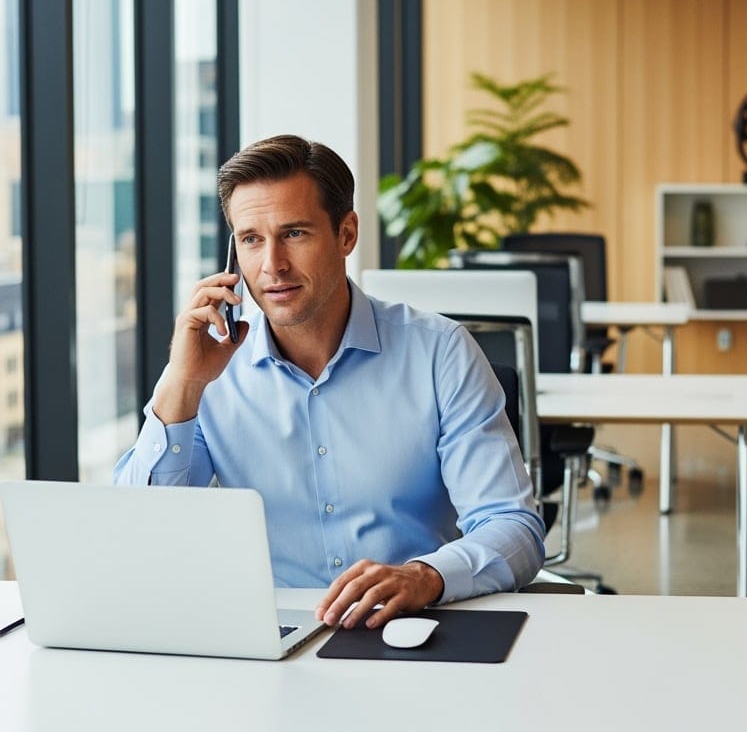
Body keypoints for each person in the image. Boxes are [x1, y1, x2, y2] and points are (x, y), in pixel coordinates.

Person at [114, 134, 545, 631]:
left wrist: (425, 576)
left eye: (294, 234)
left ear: (346, 234)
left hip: (413, 628)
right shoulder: (211, 372)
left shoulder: (439, 352)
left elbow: (513, 526)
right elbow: (141, 536)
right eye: (251, 239)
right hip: (270, 639)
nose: (271, 265)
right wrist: (183, 384)